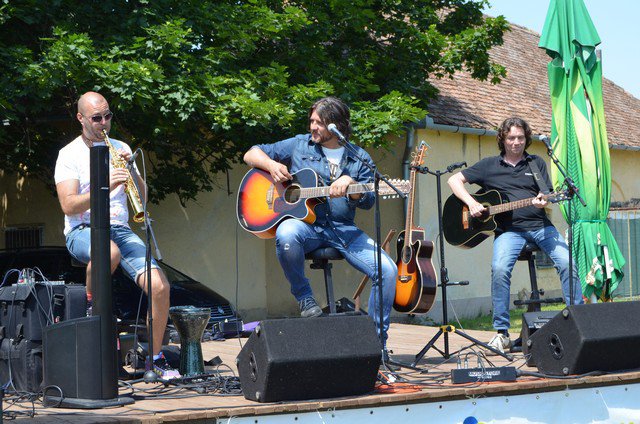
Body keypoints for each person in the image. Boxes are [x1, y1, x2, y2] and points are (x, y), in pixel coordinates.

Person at [243, 96, 397, 352]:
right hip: (308, 227)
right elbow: (251, 153)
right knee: (286, 232)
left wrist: (351, 186)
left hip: (343, 230)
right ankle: (305, 298)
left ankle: (375, 344)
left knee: (388, 271)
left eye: (319, 122)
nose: (312, 126)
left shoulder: (358, 157)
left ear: (337, 126)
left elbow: (368, 201)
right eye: (312, 121)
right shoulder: (298, 145)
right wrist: (271, 164)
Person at [54, 91, 179, 379]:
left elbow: (142, 198)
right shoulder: (69, 154)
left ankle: (155, 359)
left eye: (108, 116)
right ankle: (90, 307)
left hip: (120, 228)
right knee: (108, 252)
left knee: (160, 287)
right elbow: (68, 205)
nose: (104, 123)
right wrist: (104, 184)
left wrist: (131, 170)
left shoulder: (121, 147)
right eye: (96, 118)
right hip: (82, 229)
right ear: (81, 118)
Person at [447, 117, 583, 354]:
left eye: (520, 137)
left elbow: (547, 195)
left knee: (567, 262)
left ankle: (578, 321)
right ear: (503, 139)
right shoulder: (489, 165)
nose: (516, 142)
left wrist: (544, 201)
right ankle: (501, 333)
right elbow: (454, 179)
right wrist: (472, 203)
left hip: (540, 227)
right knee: (500, 268)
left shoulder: (536, 163)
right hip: (508, 231)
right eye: (511, 138)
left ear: (526, 139)